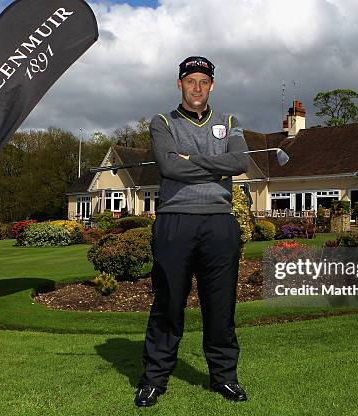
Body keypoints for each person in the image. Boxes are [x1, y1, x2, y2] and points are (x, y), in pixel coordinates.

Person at [134, 56, 250, 407]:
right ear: (179, 84)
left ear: (211, 85)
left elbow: (240, 162)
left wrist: (190, 161)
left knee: (221, 306)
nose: (196, 87)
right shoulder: (162, 122)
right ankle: (154, 379)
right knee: (168, 303)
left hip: (219, 222)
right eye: (190, 81)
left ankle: (224, 378)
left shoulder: (230, 122)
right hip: (175, 221)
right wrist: (216, 168)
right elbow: (169, 167)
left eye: (203, 81)